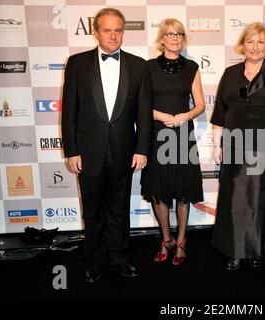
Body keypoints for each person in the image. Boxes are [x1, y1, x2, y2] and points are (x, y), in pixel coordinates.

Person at [61, 8, 152, 283]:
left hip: (125, 151)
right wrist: (72, 150)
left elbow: (144, 114)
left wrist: (142, 149)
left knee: (119, 209)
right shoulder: (76, 63)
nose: (114, 36)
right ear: (96, 32)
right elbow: (69, 112)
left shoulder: (139, 66)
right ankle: (94, 260)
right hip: (88, 152)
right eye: (108, 30)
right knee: (93, 210)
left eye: (118, 30)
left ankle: (121, 258)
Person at [210, 22, 265, 271]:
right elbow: (220, 114)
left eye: (261, 41)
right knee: (235, 200)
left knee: (260, 201)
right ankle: (235, 251)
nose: (255, 47)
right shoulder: (230, 73)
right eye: (250, 41)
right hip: (234, 144)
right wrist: (217, 145)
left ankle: (257, 250)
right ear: (242, 45)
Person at [141, 18, 205, 266]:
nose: (175, 38)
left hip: (182, 136)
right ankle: (165, 238)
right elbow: (141, 103)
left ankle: (181, 241)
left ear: (183, 38)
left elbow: (200, 104)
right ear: (162, 39)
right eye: (170, 34)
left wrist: (184, 116)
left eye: (179, 34)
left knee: (183, 191)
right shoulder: (146, 67)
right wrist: (159, 115)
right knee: (159, 191)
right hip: (156, 134)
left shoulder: (192, 67)